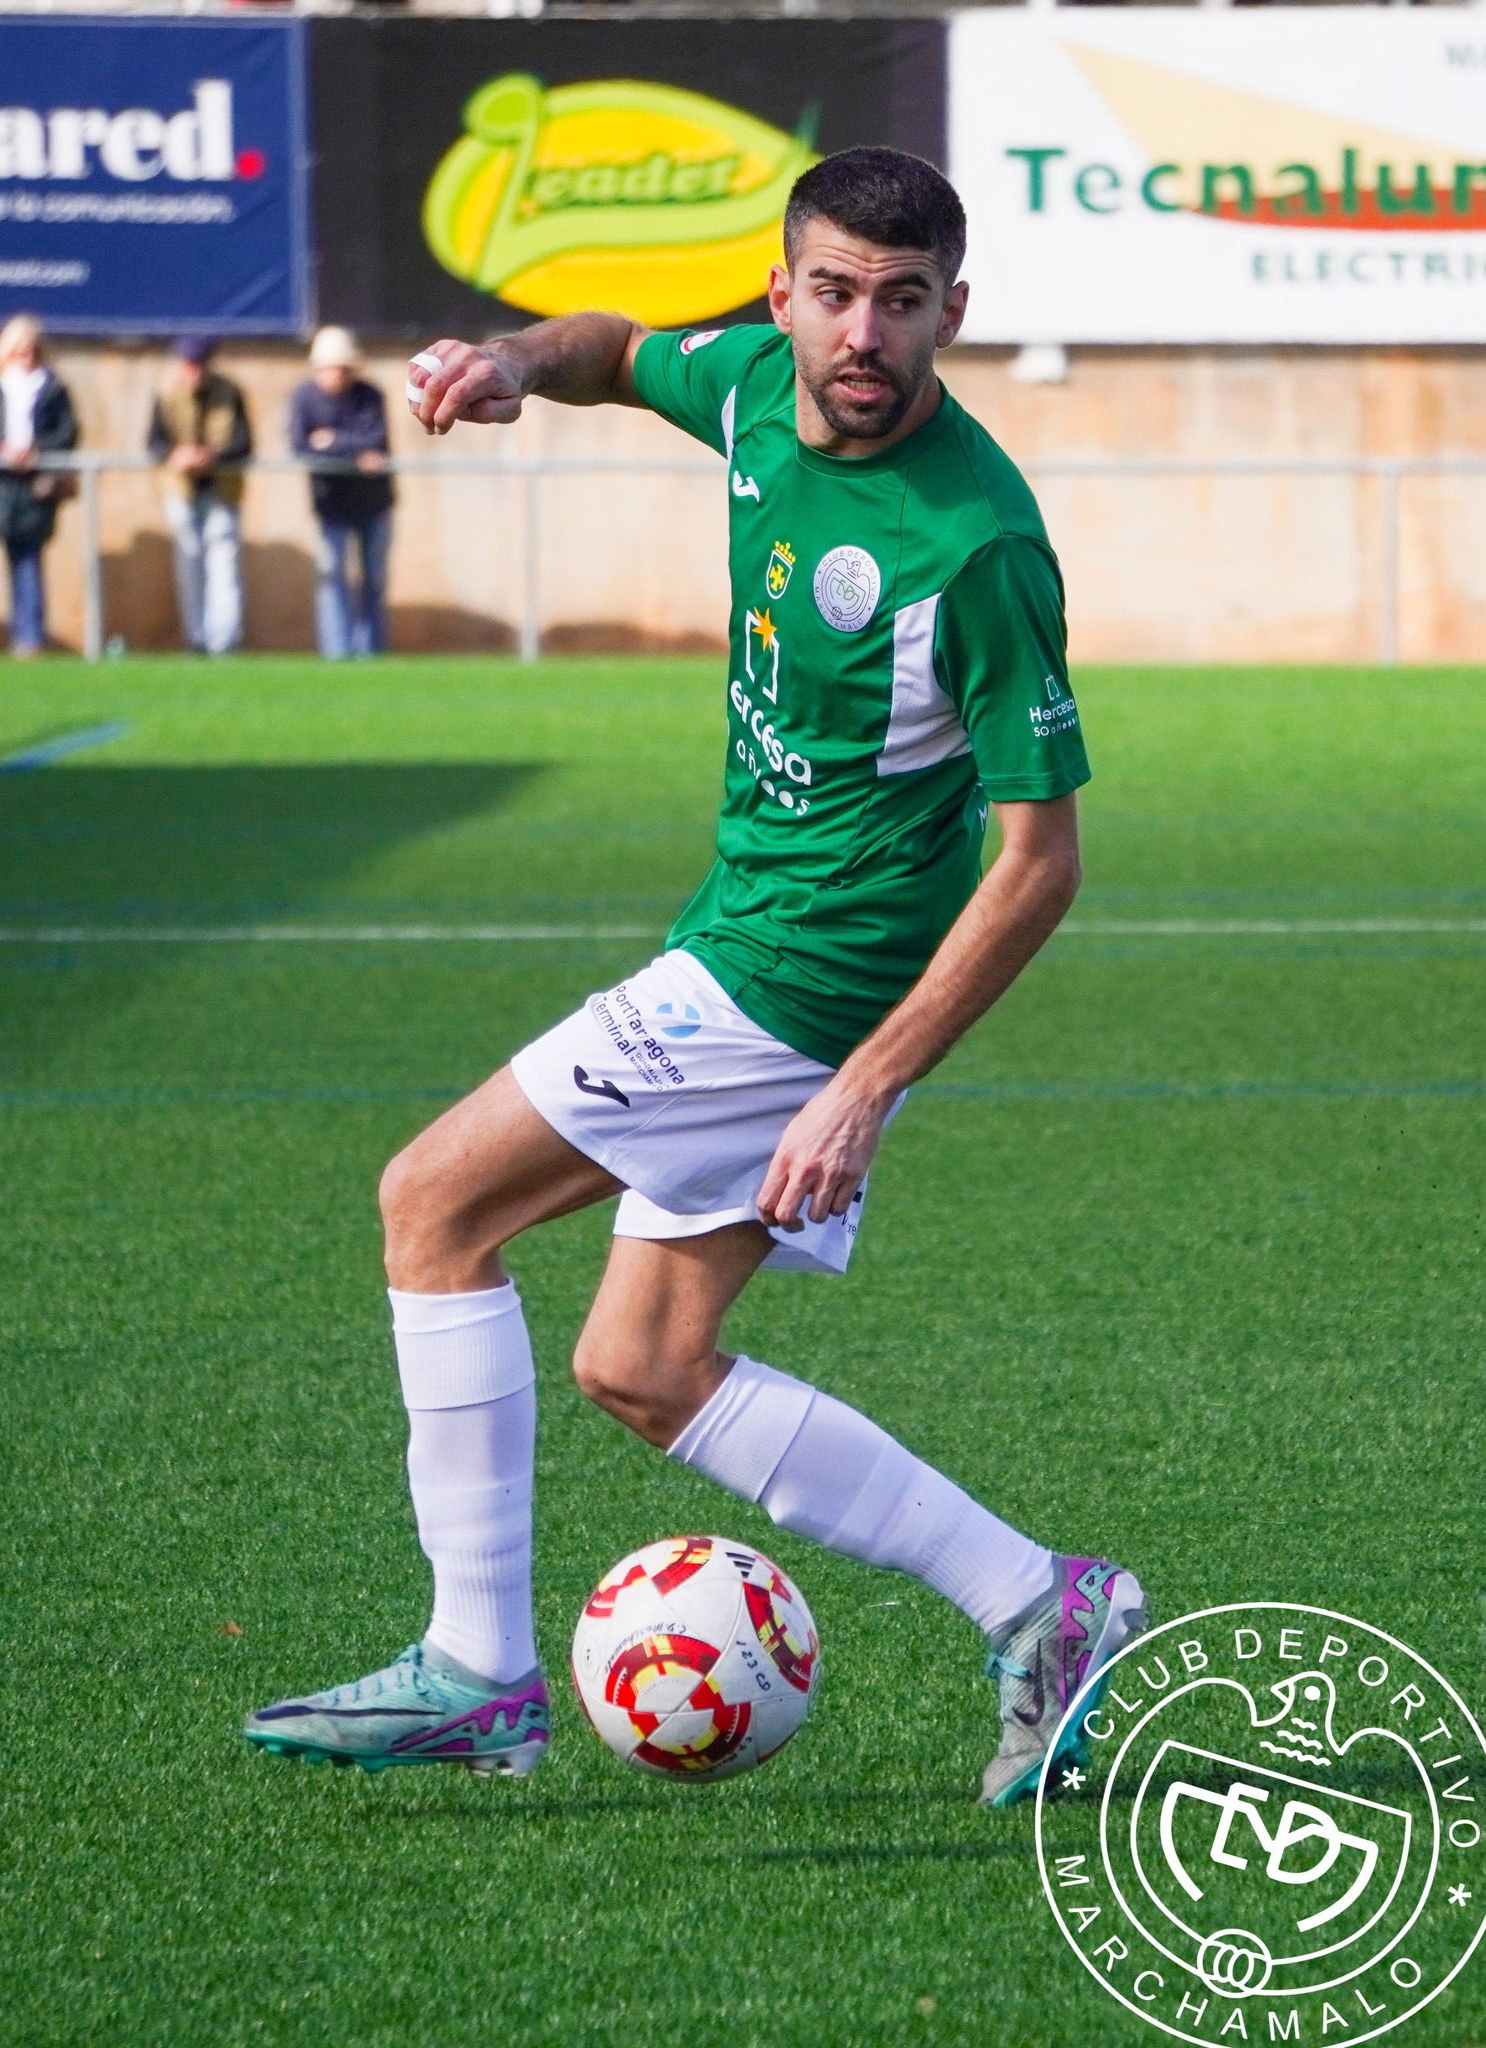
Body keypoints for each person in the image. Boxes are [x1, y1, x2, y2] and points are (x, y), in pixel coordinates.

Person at [244, 150, 1150, 1807]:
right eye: (832, 292)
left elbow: (1040, 859)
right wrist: (511, 364)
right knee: (644, 1363)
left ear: (955, 309)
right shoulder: (742, 383)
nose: (862, 331)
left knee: (432, 1202)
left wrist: (863, 1082)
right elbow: (609, 346)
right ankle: (1045, 1601)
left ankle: (478, 1669)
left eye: (901, 299)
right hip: (745, 937)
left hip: (793, 979)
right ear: (778, 293)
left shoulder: (977, 538)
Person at [0, 317, 78, 658]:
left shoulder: (53, 387)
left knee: (29, 559)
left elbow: (67, 431)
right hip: (0, 483)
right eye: (19, 352)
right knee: (13, 558)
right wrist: (1, 447)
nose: (26, 358)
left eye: (32, 351)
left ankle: (30, 637)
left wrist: (37, 452)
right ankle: (20, 631)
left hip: (37, 482)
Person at [290, 326, 392, 659]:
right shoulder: (303, 398)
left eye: (341, 367)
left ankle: (371, 651)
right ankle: (337, 652)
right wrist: (351, 451)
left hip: (373, 503)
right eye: (329, 367)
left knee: (374, 580)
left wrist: (331, 441)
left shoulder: (370, 396)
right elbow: (300, 446)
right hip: (330, 504)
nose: (336, 374)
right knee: (332, 576)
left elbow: (374, 440)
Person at [149, 337, 251, 655]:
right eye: (188, 363)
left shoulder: (229, 391)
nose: (193, 370)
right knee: (188, 562)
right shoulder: (165, 392)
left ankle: (225, 641)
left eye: (199, 363)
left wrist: (211, 457)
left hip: (221, 490)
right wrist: (177, 455)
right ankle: (196, 639)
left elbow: (244, 444)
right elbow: (153, 443)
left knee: (225, 565)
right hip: (180, 490)